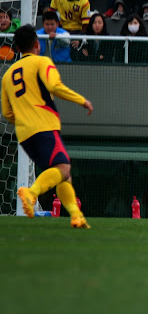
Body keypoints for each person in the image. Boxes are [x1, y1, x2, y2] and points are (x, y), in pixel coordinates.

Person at [0, 25, 93, 228]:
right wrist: (82, 101)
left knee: (61, 174)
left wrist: (24, 119)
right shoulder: (42, 61)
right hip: (43, 126)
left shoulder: (7, 75)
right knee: (63, 168)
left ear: (17, 48)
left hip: (24, 134)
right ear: (37, 44)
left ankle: (76, 215)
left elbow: (7, 113)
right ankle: (31, 193)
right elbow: (54, 86)